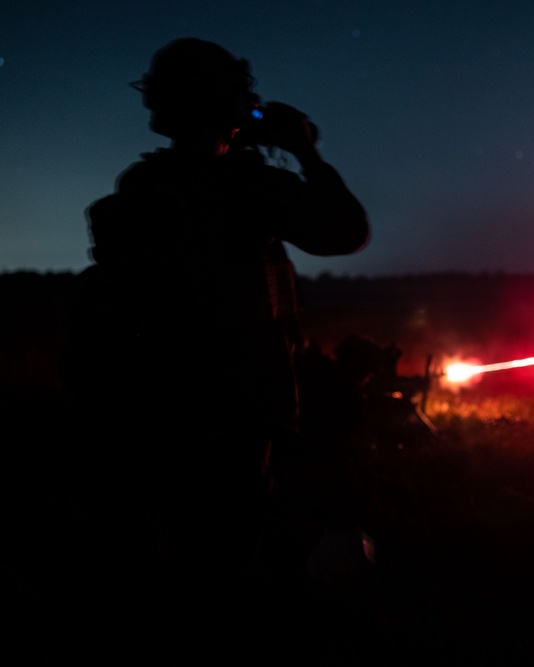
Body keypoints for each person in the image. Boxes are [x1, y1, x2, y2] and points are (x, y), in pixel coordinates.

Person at [78, 38, 368, 640]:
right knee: (223, 563)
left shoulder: (141, 187)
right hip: (234, 409)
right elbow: (345, 230)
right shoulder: (243, 188)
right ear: (226, 103)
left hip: (156, 404)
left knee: (177, 551)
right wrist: (306, 153)